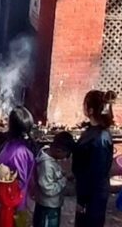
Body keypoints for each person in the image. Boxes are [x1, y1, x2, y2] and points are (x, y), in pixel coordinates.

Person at [72, 90, 115, 227]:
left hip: (93, 195)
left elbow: (96, 173)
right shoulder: (93, 130)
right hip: (88, 191)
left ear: (90, 110)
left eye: (84, 104)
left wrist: (83, 200)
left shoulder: (100, 138)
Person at [0, 106, 36, 220]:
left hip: (11, 207)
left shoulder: (18, 152)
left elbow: (19, 182)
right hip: (4, 203)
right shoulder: (11, 145)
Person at [33, 131, 75, 227]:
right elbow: (48, 189)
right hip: (48, 207)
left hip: (51, 205)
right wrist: (64, 180)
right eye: (66, 155)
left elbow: (52, 176)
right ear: (59, 151)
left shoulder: (50, 157)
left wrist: (62, 174)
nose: (65, 158)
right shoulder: (46, 165)